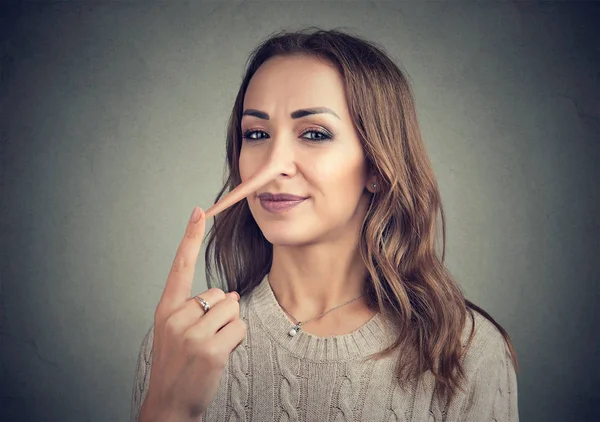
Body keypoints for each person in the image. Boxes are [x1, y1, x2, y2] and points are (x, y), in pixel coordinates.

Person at [129, 27, 519, 422]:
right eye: (257, 133)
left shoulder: (465, 351)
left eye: (314, 134)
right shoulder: (179, 345)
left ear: (378, 167)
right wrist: (168, 408)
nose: (273, 165)